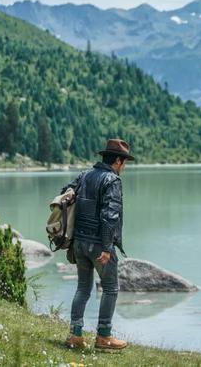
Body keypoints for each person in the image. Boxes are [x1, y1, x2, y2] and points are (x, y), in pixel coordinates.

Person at [63, 139, 134, 350]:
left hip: (79, 243)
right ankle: (104, 336)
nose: (125, 167)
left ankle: (75, 335)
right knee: (111, 288)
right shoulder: (112, 180)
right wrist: (106, 247)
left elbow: (66, 191)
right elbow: (109, 216)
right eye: (125, 162)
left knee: (83, 288)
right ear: (119, 161)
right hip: (98, 245)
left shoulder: (85, 175)